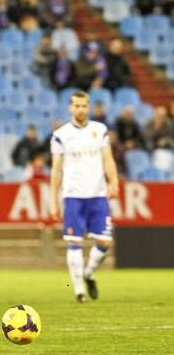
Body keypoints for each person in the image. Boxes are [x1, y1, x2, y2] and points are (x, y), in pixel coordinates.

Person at [50, 91, 119, 303]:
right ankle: (79, 290)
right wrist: (54, 200)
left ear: (88, 107)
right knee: (74, 243)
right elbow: (56, 169)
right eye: (77, 105)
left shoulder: (100, 130)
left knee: (105, 242)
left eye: (84, 105)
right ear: (70, 108)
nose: (80, 109)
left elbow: (108, 159)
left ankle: (89, 273)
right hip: (73, 196)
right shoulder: (61, 135)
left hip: (97, 195)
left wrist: (113, 181)